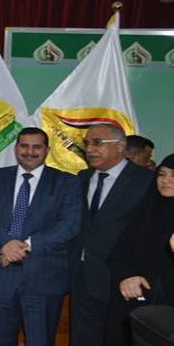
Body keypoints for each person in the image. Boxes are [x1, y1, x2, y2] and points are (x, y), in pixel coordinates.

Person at [0, 127, 81, 346]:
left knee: (40, 340)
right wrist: (5, 243)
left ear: (47, 150)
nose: (29, 152)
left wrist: (25, 246)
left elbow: (69, 225)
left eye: (36, 147)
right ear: (16, 148)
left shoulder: (67, 182)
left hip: (43, 276)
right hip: (0, 273)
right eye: (24, 146)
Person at [69, 124, 154, 346]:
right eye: (87, 143)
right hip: (82, 273)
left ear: (120, 146)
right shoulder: (82, 177)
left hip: (122, 277)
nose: (90, 149)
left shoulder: (146, 181)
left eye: (97, 143)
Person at [105, 153, 174, 346]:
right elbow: (120, 250)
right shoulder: (147, 208)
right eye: (162, 174)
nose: (166, 180)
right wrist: (127, 275)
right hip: (133, 295)